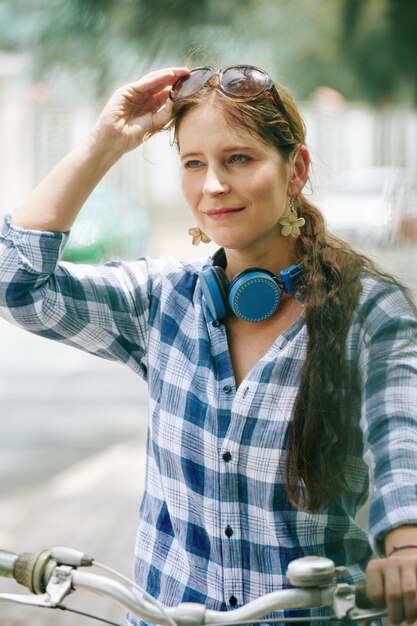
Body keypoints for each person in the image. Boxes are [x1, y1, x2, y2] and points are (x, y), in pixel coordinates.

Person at [0, 64, 417, 626]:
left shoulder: (371, 313)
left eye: (238, 159)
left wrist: (406, 550)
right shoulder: (162, 300)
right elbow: (16, 283)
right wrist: (105, 144)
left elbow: (403, 443)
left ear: (296, 170)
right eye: (194, 164)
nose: (213, 185)